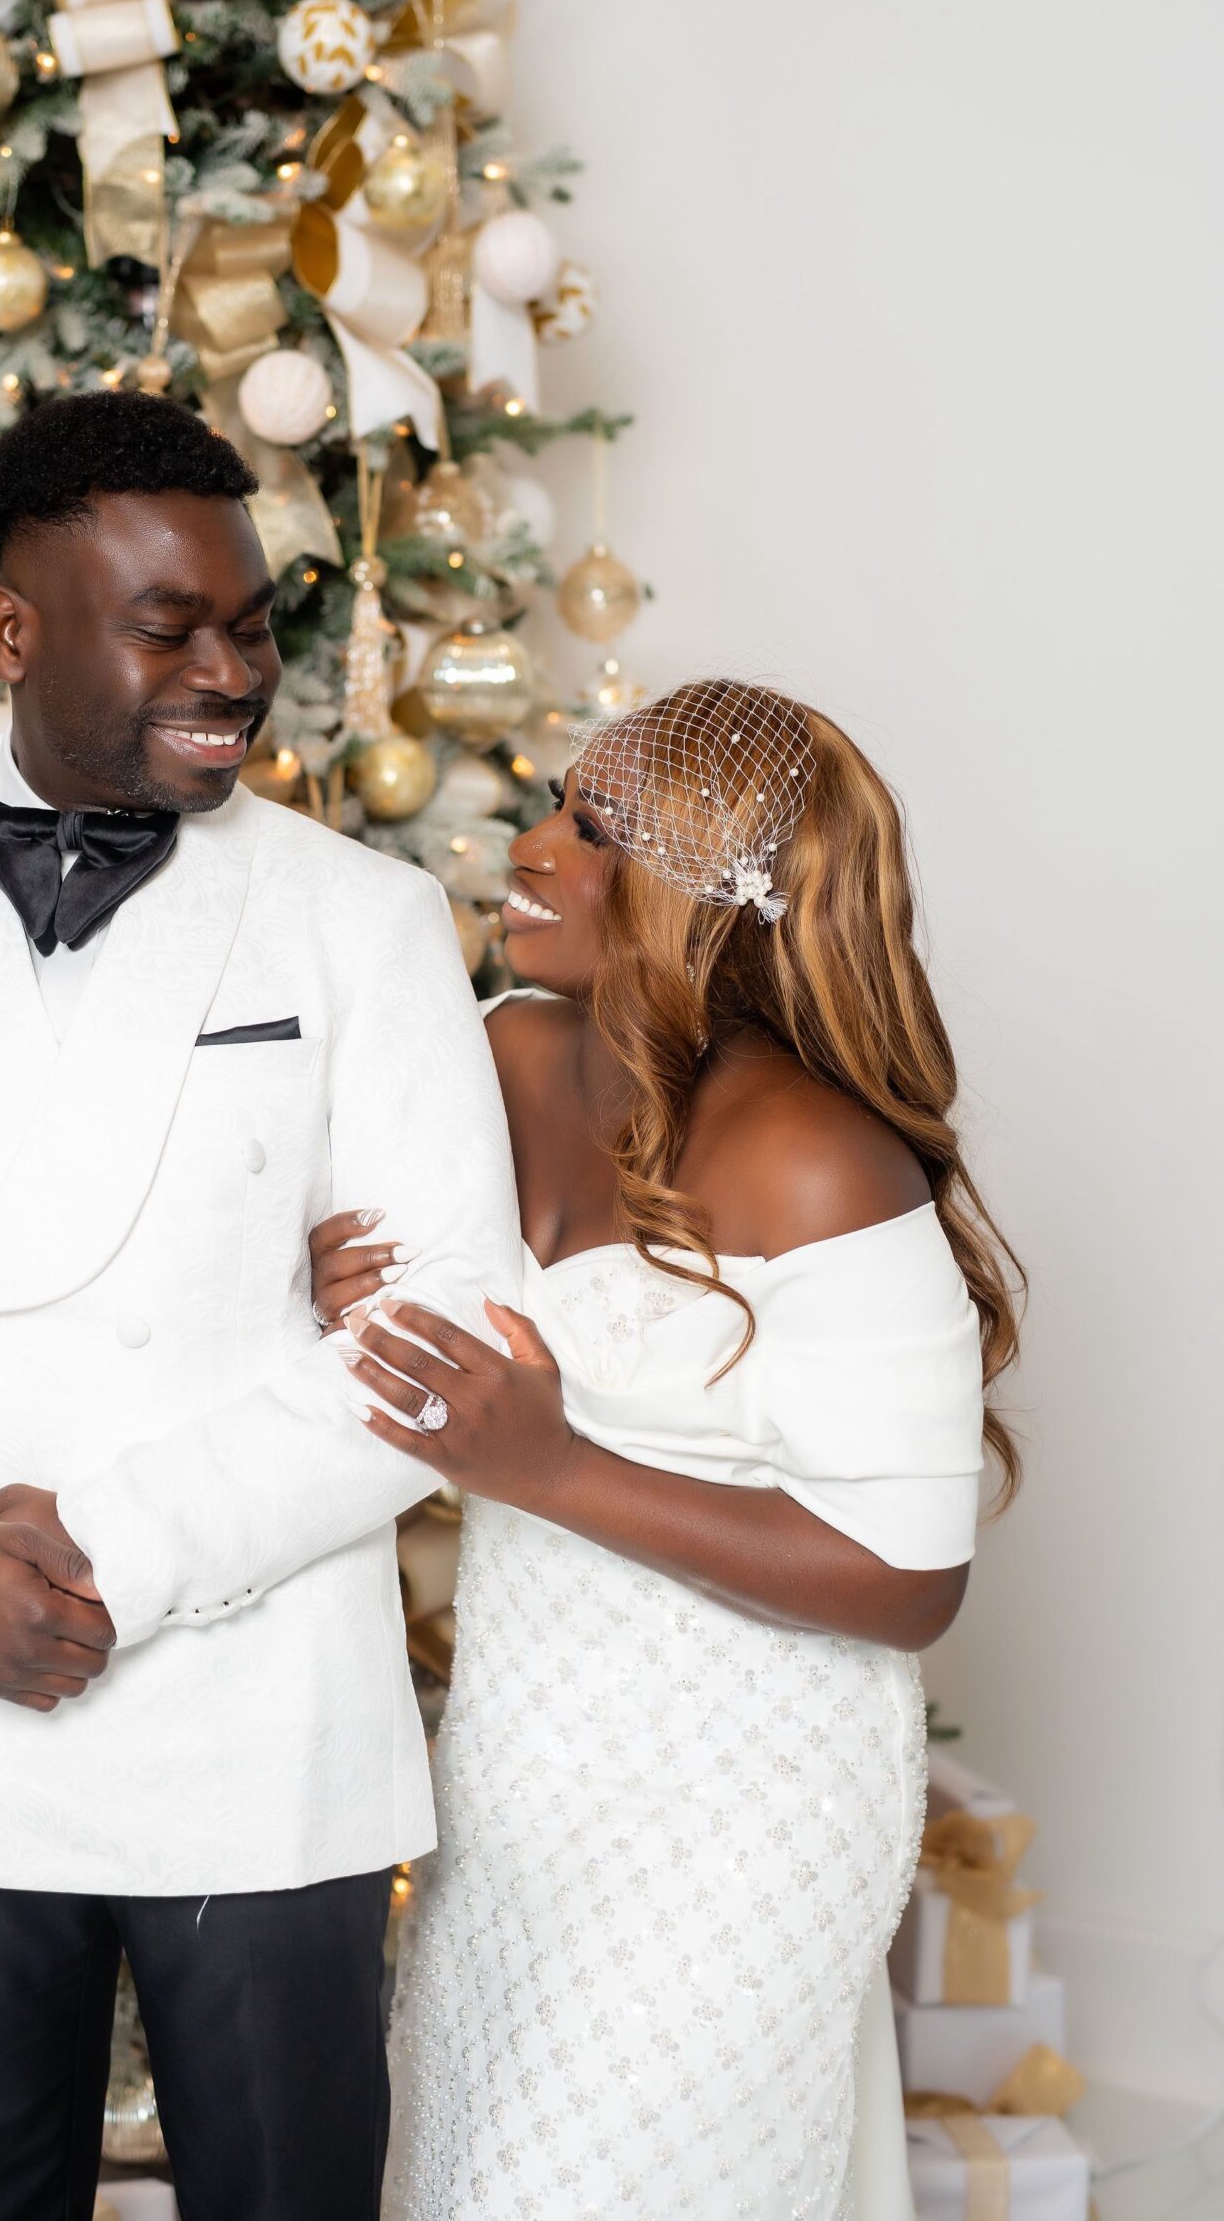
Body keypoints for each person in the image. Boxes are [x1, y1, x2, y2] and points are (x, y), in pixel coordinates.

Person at [0, 388, 522, 2221]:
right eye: (169, 628)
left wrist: (119, 1551)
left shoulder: (363, 921)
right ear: (12, 632)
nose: (233, 673)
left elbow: (448, 1326)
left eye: (253, 625)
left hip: (256, 1717)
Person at [310, 679, 1021, 2220]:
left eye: (599, 832)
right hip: (519, 1788)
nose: (534, 846)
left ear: (715, 892)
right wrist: (321, 1283)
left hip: (743, 1818)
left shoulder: (817, 1159)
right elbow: (387, 1323)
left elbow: (909, 1579)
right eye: (555, 805)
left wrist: (553, 1467)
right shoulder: (501, 1055)